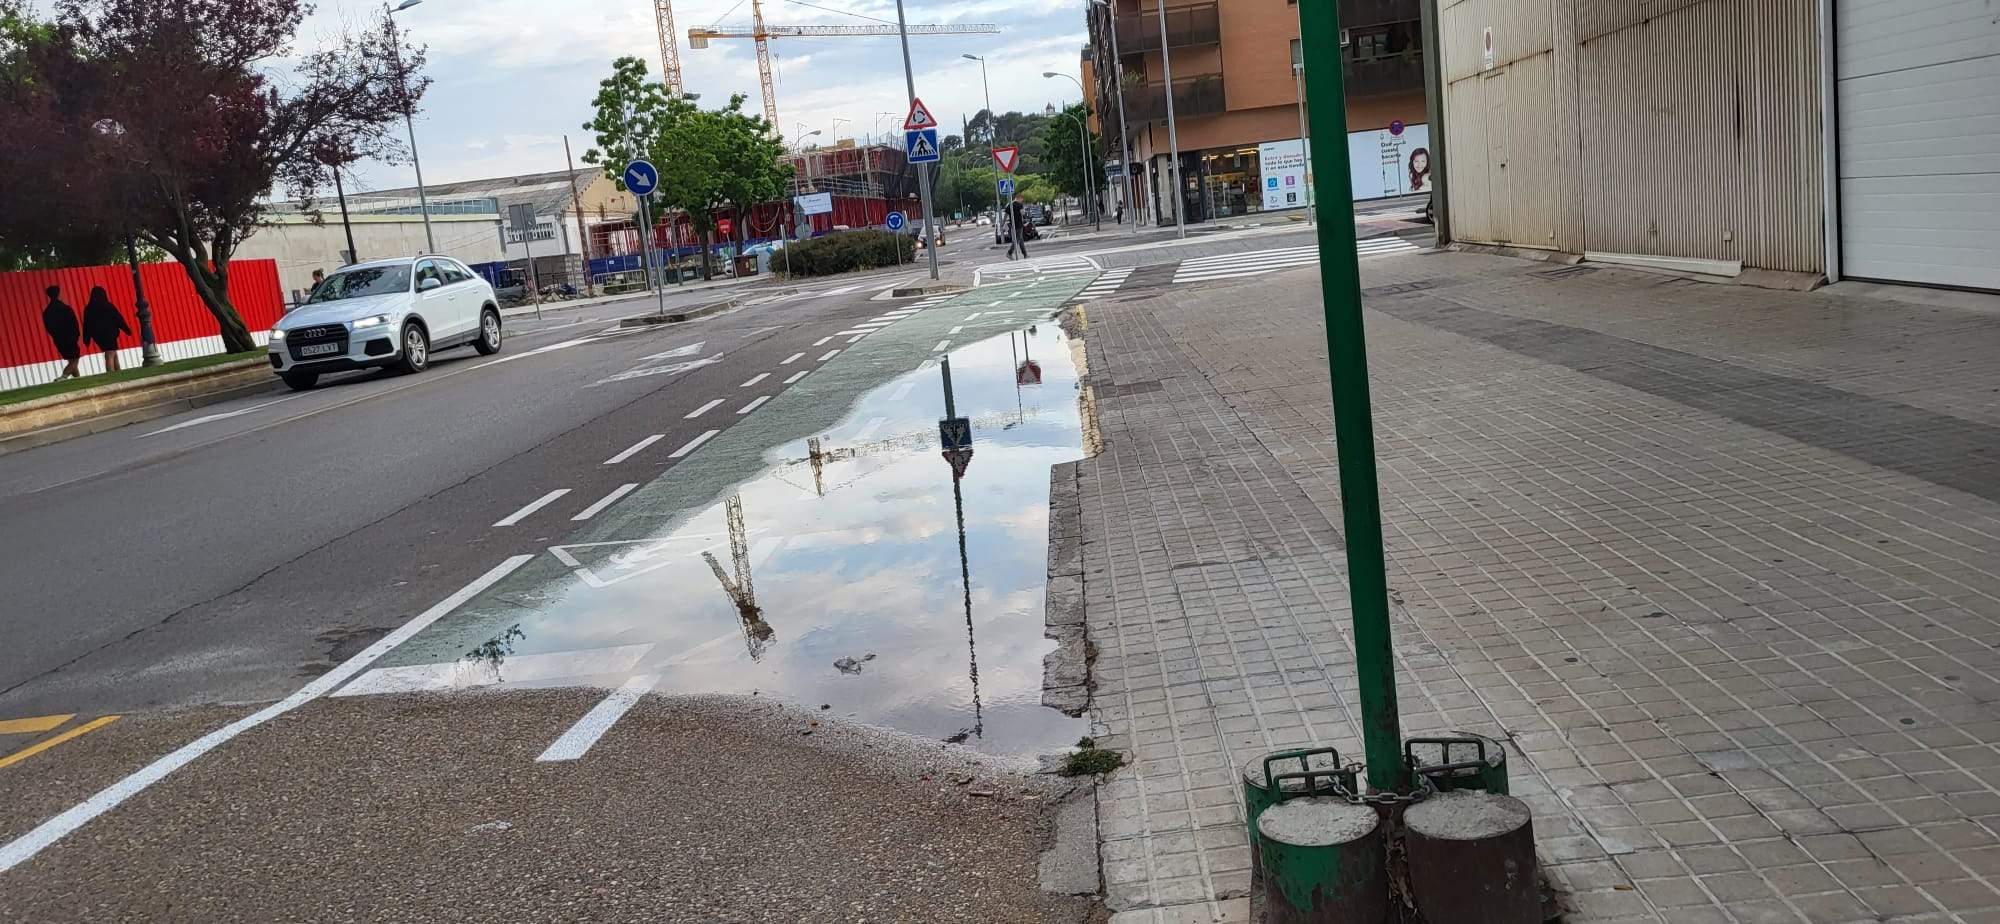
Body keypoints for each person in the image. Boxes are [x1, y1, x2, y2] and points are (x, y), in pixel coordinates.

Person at [81, 285, 131, 374]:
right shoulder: (108, 306)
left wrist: (86, 338)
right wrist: (127, 330)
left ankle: (119, 373)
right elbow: (118, 319)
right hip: (110, 333)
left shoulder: (88, 309)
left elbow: (86, 325)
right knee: (110, 354)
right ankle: (111, 374)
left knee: (112, 353)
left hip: (98, 336)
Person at [40, 285, 81, 380]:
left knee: (71, 360)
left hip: (58, 340)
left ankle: (78, 381)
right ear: (59, 294)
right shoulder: (66, 308)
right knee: (75, 359)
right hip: (70, 337)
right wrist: (76, 335)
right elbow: (74, 323)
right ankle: (63, 377)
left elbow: (48, 328)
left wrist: (55, 336)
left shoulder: (46, 312)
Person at [1006, 193, 1030, 261]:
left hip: (1012, 225)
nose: (1022, 200)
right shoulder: (1020, 205)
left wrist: (1003, 223)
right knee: (1017, 239)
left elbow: (1005, 215)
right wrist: (1024, 212)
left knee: (1020, 240)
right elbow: (1022, 213)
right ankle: (1009, 252)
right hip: (1019, 224)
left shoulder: (1009, 205)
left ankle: (1025, 254)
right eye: (1021, 199)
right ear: (1018, 198)